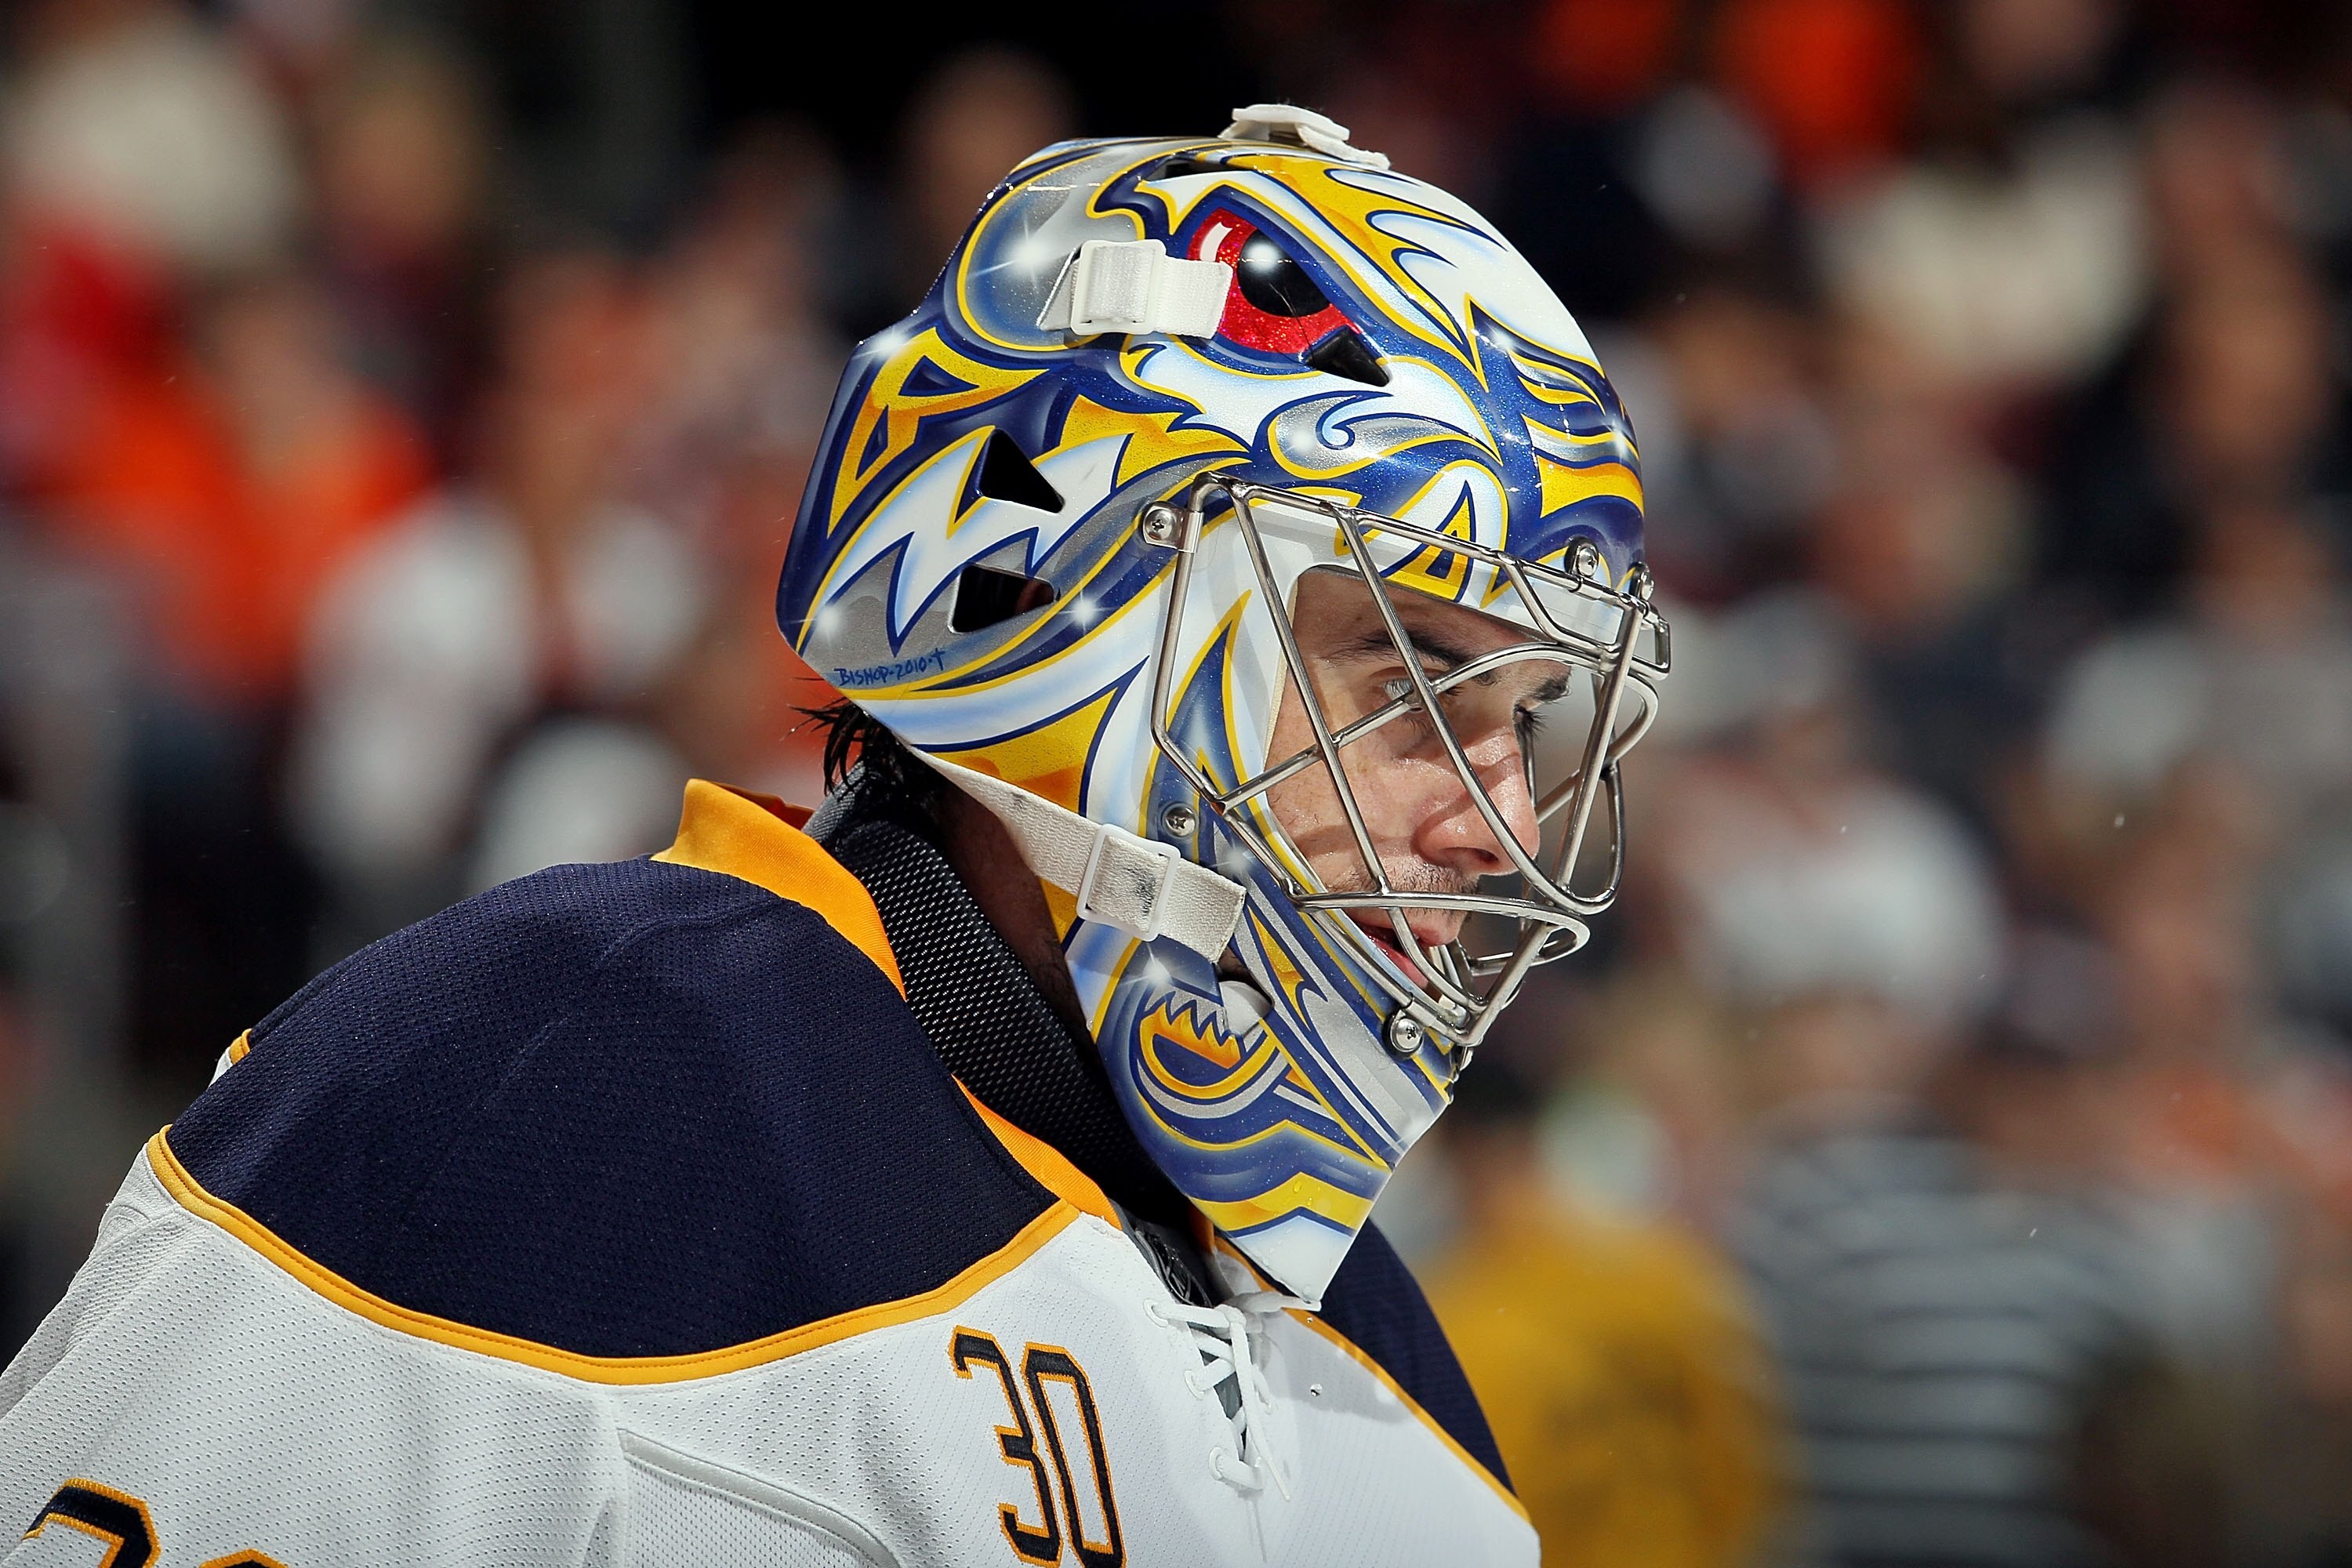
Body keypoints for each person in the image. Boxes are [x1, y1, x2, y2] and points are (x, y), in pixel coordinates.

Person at [0, 105, 1668, 1566]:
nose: (1499, 816)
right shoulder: (543, 1103)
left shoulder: (1394, 1369)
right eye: (1412, 674)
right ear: (1076, 595)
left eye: (1528, 715)